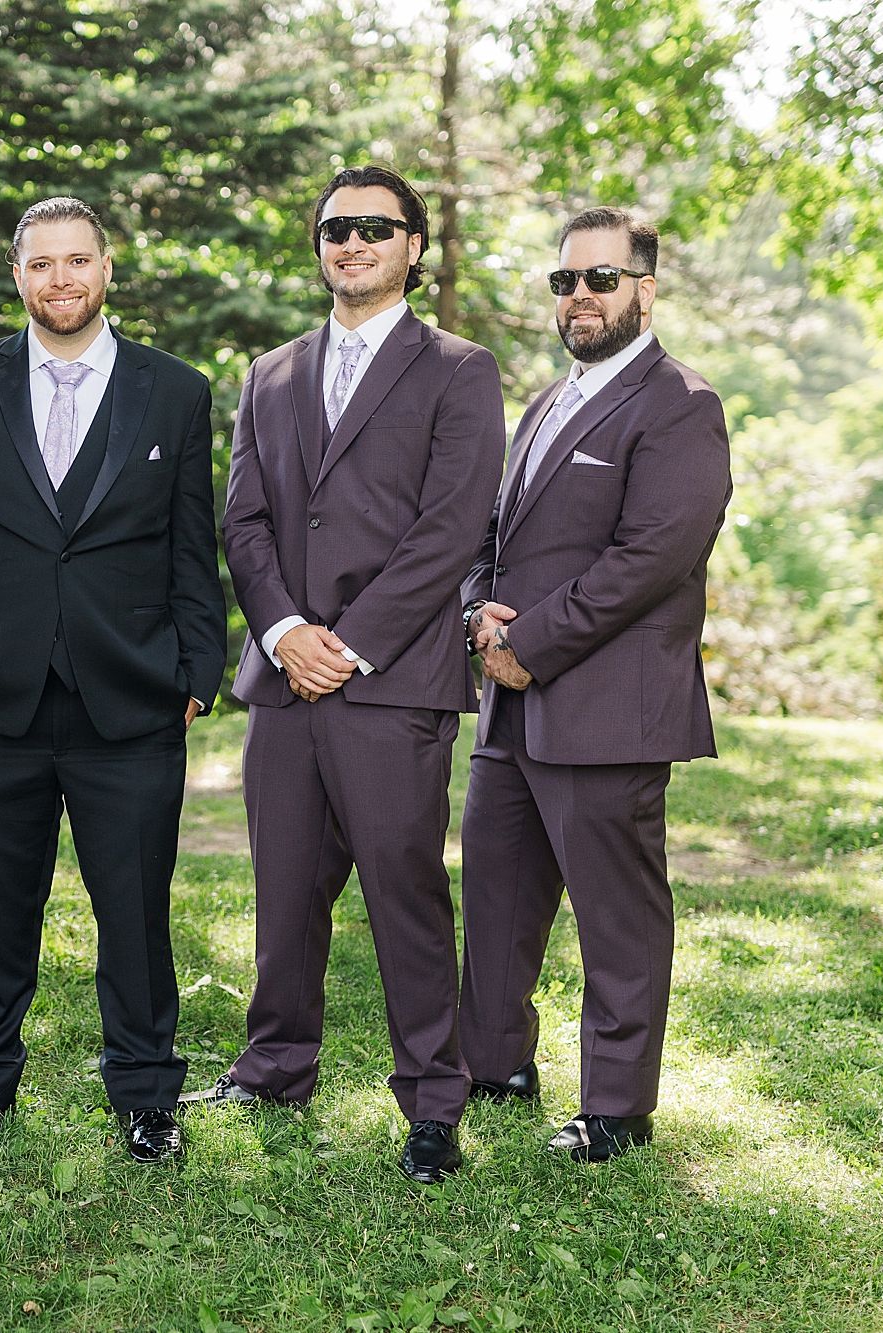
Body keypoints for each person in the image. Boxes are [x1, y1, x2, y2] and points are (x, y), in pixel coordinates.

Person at [194, 165, 505, 1184]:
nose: (352, 242)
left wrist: (350, 639)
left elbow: (451, 523)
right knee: (283, 892)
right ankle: (275, 1063)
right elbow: (240, 519)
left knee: (403, 895)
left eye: (375, 227)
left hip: (391, 680)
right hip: (283, 682)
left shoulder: (457, 369)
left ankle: (430, 1102)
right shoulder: (270, 373)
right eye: (335, 228)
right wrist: (283, 628)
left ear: (413, 245)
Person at [0, 197, 227, 1163]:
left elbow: (191, 544)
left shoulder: (175, 390)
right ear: (18, 275)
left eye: (77, 261)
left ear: (106, 270)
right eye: (41, 264)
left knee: (135, 912)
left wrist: (195, 671)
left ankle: (145, 1096)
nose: (61, 280)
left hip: (129, 697)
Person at [460, 206, 732, 1162]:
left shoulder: (680, 404)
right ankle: (494, 1064)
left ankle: (617, 1105)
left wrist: (534, 640)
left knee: (617, 915)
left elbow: (653, 556)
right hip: (510, 700)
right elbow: (488, 536)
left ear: (644, 290)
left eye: (601, 280)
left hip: (608, 708)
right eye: (564, 281)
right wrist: (479, 613)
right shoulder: (544, 401)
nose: (580, 296)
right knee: (495, 894)